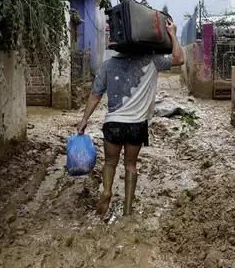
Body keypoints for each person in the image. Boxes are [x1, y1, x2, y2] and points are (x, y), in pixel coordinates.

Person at [76, 19, 185, 216]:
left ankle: (107, 191)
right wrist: (173, 34)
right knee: (130, 165)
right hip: (136, 125)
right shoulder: (153, 60)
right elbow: (179, 59)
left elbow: (95, 95)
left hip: (113, 124)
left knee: (110, 163)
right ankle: (127, 211)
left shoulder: (108, 64)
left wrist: (84, 120)